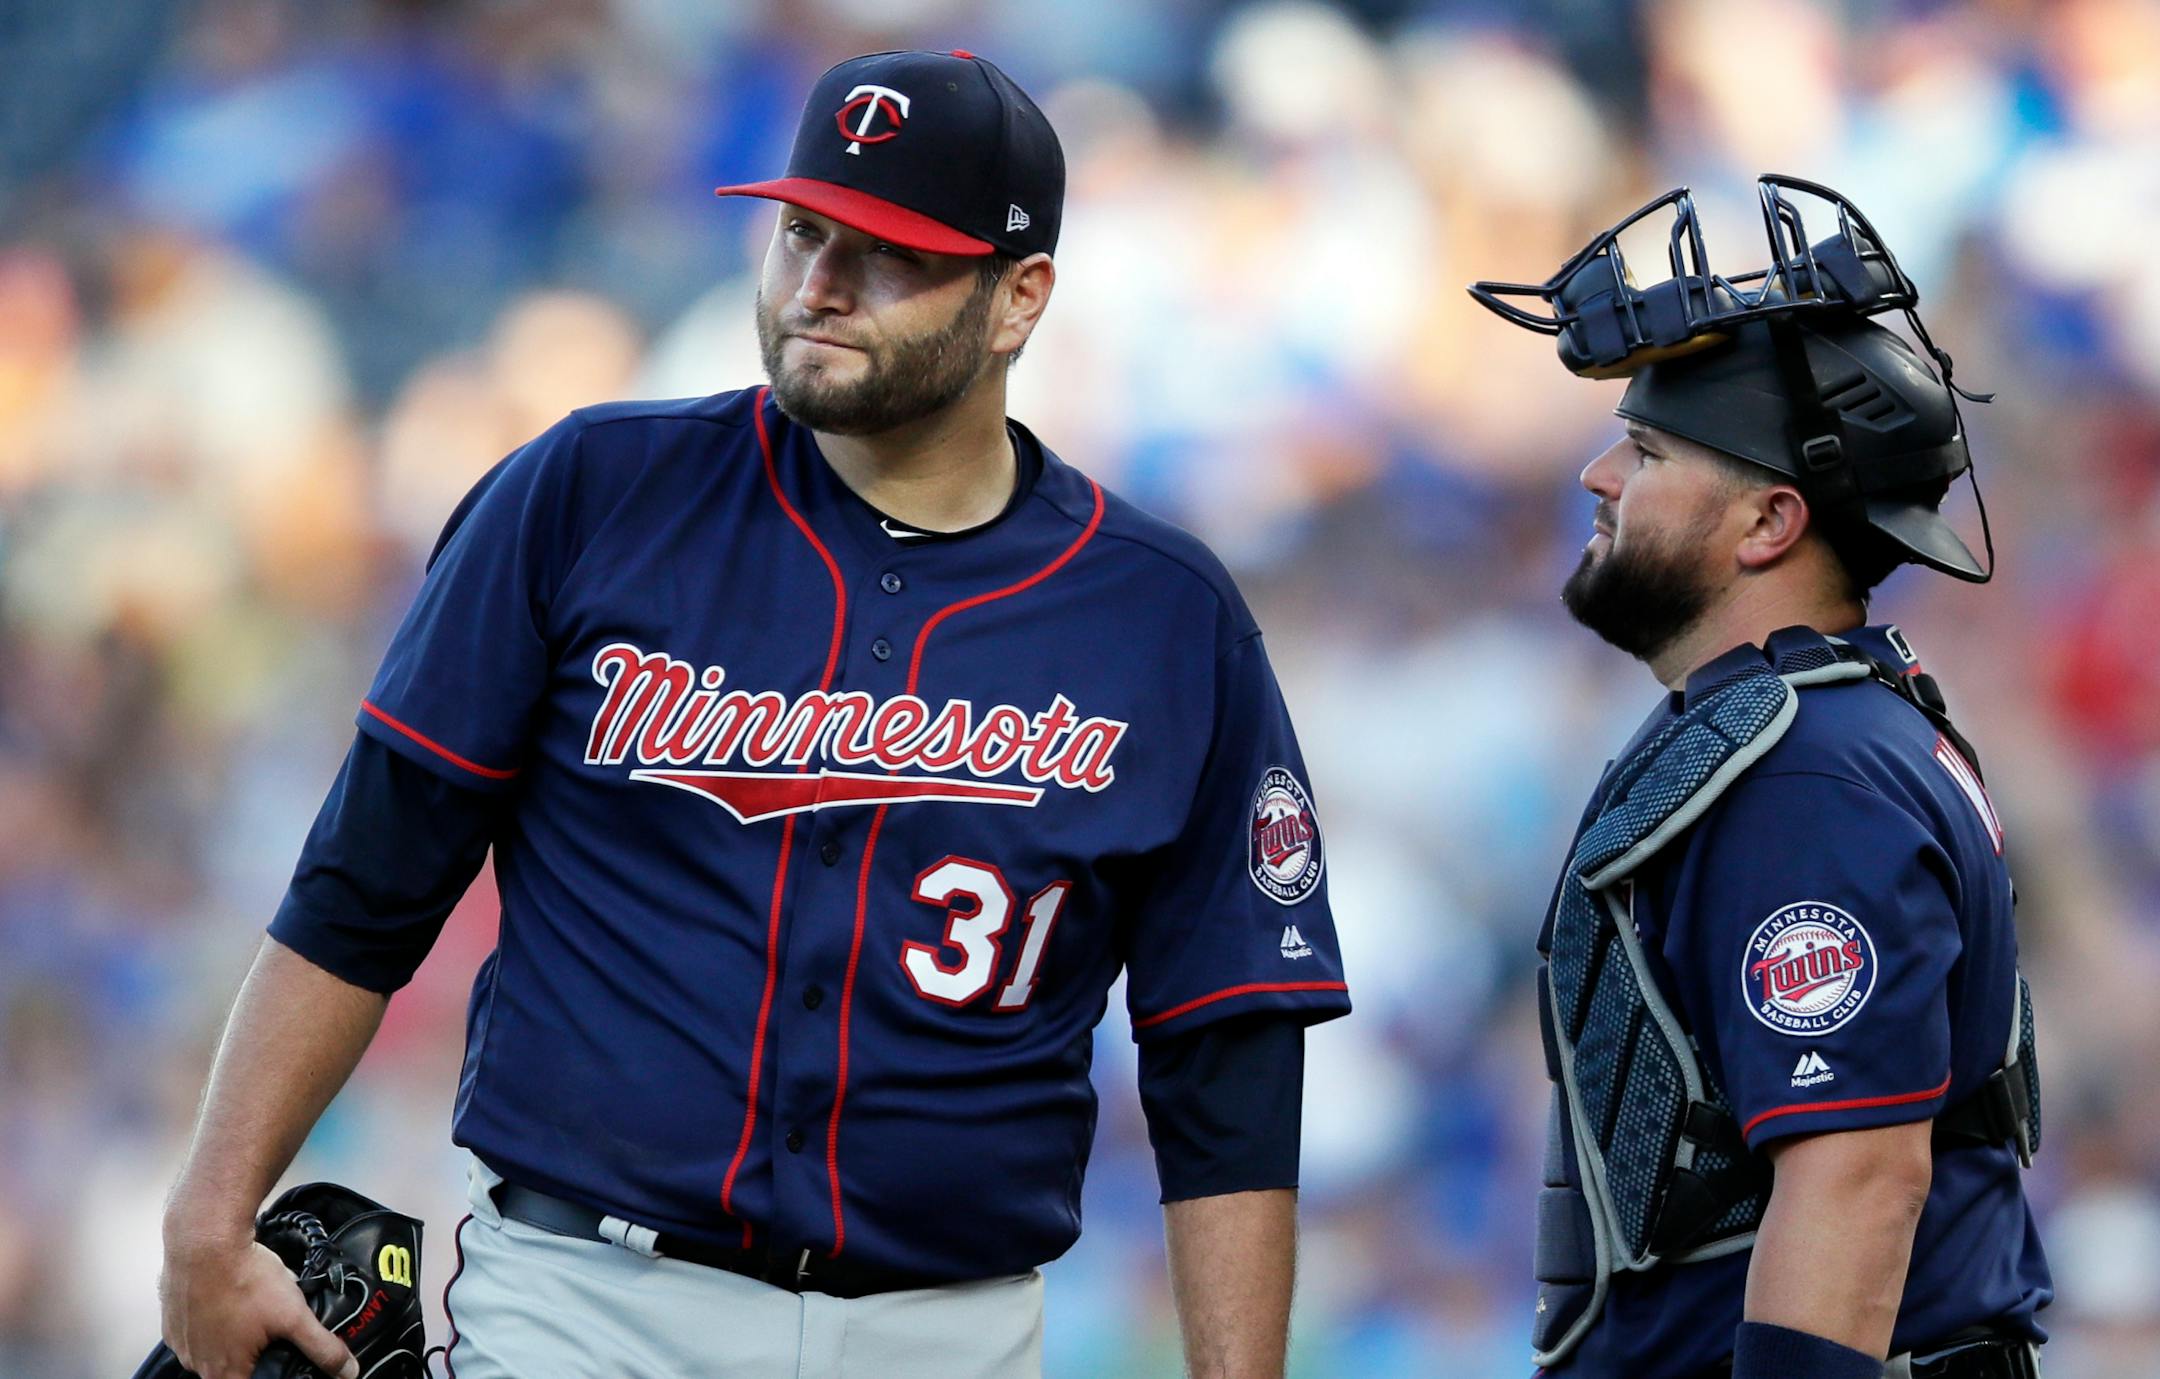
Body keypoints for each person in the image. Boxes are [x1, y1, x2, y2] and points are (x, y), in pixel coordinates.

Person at [157, 49, 1349, 1379]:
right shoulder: (589, 494)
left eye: (888, 253)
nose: (820, 286)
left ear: (1019, 300)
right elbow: (363, 885)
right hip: (585, 1299)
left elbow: (1226, 1057)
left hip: (952, 1327)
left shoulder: (1160, 613)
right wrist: (212, 1205)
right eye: (800, 233)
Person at [1470, 177, 2051, 1379]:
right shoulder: (1816, 731)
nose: (1597, 475)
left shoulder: (1806, 774)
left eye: (1646, 449)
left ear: (1769, 522)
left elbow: (1857, 1176)